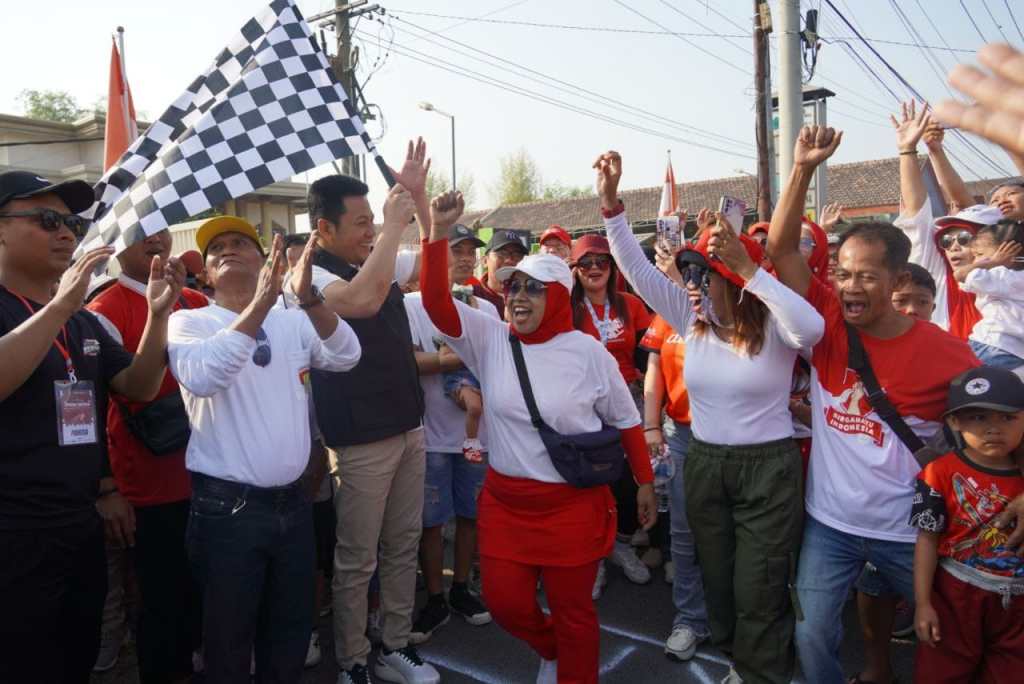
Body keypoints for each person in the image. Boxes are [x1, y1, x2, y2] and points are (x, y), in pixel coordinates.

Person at [598, 150, 825, 684]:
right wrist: (610, 206)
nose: (694, 282)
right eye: (692, 271)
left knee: (759, 586)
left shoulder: (774, 322)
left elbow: (812, 330)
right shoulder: (688, 316)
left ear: (735, 278)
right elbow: (632, 266)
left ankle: (761, 671)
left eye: (706, 272)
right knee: (720, 586)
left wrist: (752, 271)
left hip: (767, 470)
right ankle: (742, 662)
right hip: (703, 462)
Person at [765, 125, 981, 684]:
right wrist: (802, 169)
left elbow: (1000, 422)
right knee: (812, 633)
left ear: (898, 280)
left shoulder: (947, 353)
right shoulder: (827, 323)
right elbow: (782, 249)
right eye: (842, 274)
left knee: (947, 641)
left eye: (866, 275)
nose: (850, 285)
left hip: (910, 533)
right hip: (829, 525)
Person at [419, 190, 656, 684]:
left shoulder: (589, 352)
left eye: (531, 288)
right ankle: (551, 650)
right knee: (508, 608)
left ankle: (573, 671)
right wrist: (436, 233)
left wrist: (645, 482)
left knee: (576, 616)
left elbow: (626, 420)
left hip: (572, 507)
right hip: (506, 505)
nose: (517, 296)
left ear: (555, 298)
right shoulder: (490, 338)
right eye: (512, 288)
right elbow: (438, 307)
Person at [0, 170, 184, 683]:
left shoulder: (84, 324)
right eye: (46, 220)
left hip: (77, 525)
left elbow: (140, 386)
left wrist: (158, 318)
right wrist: (60, 304)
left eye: (72, 223)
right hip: (14, 532)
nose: (66, 233)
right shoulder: (58, 311)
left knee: (75, 658)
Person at [168, 217, 361, 683]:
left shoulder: (293, 320)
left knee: (289, 636)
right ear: (207, 274)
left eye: (240, 243)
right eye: (217, 250)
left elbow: (346, 354)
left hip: (292, 506)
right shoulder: (188, 320)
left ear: (264, 261)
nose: (227, 251)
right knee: (229, 644)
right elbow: (203, 376)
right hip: (226, 512)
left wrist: (308, 296)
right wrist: (260, 304)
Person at [302, 139, 442, 684]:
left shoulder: (373, 260)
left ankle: (396, 646)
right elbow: (360, 300)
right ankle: (354, 659)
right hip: (360, 438)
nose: (369, 230)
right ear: (323, 229)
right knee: (357, 557)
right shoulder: (311, 278)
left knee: (403, 544)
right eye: (359, 222)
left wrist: (415, 195)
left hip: (408, 425)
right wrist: (389, 227)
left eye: (372, 220)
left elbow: (431, 241)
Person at [87, 227, 207, 683]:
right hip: (148, 483)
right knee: (159, 599)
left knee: (202, 590)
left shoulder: (196, 302)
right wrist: (107, 485)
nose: (154, 238)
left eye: (161, 227)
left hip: (208, 475)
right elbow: (94, 407)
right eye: (140, 231)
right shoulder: (102, 311)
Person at [935, 40, 1024, 560]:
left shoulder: (1006, 271)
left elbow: (979, 280)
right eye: (953, 239)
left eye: (975, 238)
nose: (959, 248)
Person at [404, 222, 496, 645]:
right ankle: (436, 597)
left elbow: (498, 366)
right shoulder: (410, 305)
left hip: (476, 434)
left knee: (471, 515)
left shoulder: (486, 308)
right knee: (431, 521)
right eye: (454, 250)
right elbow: (401, 362)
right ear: (435, 258)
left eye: (469, 251)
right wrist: (443, 362)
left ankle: (462, 588)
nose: (463, 258)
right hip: (430, 434)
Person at [911, 366, 1024, 682]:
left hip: (1018, 606)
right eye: (979, 417)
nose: (993, 429)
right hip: (956, 595)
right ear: (953, 421)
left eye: (1007, 417)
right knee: (942, 673)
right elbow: (927, 539)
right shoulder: (939, 473)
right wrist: (922, 603)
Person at [568, 233, 654, 593]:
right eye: (585, 263)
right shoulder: (567, 309)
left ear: (612, 267)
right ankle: (595, 557)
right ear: (574, 270)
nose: (593, 269)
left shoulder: (630, 304)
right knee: (592, 479)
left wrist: (652, 407)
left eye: (601, 261)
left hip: (628, 398)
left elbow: (650, 357)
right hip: (584, 402)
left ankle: (619, 545)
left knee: (627, 478)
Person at [640, 314, 710, 662]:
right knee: (682, 533)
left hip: (728, 438)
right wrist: (651, 425)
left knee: (726, 534)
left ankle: (731, 624)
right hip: (680, 435)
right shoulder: (666, 310)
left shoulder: (738, 301)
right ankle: (690, 619)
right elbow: (654, 367)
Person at [954, 224, 1024, 372]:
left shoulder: (1001, 276)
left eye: (979, 255)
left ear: (1006, 253)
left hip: (992, 345)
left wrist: (994, 262)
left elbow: (959, 275)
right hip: (1013, 352)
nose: (975, 262)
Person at [473, 228, 530, 317]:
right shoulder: (472, 295)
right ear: (485, 261)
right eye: (502, 254)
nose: (509, 260)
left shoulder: (532, 294)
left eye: (517, 255)